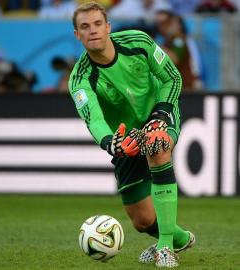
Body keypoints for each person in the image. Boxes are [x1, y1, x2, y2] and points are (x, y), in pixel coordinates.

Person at [69, 2, 195, 268]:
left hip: (159, 113)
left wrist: (161, 114)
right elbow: (94, 119)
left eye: (97, 24)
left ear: (108, 27)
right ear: (77, 35)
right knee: (142, 220)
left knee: (157, 144)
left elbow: (173, 78)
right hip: (124, 138)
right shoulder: (80, 79)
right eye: (84, 27)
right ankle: (178, 238)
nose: (92, 31)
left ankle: (165, 248)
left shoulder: (138, 42)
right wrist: (109, 142)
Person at [154, 10, 203, 91]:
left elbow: (174, 59)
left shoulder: (179, 39)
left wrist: (154, 45)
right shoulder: (167, 41)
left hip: (186, 87)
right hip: (176, 86)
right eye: (159, 24)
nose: (162, 27)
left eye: (165, 23)